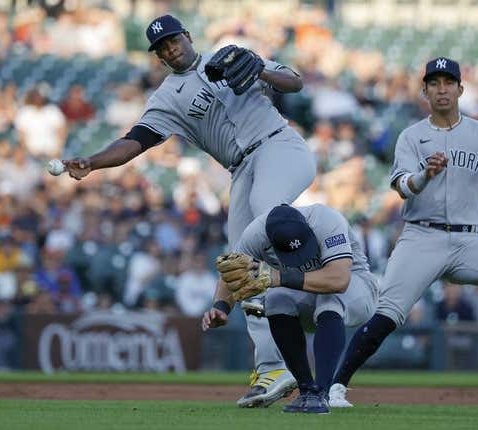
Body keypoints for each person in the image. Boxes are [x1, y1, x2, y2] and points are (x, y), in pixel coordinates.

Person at [62, 15, 316, 407]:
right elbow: (135, 141)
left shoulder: (229, 55)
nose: (169, 48)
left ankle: (308, 272)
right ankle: (272, 370)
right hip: (241, 169)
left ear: (188, 36)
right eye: (161, 47)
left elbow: (295, 82)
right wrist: (94, 162)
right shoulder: (167, 97)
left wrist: (258, 66)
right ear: (158, 56)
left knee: (264, 217)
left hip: (280, 146)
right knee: (238, 263)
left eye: (173, 39)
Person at [330, 57, 478, 404]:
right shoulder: (412, 136)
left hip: (469, 238)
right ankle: (336, 386)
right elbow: (403, 187)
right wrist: (425, 175)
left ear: (460, 89)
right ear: (424, 91)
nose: (442, 89)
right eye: (434, 83)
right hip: (421, 237)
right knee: (387, 315)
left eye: (448, 82)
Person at [202, 204, 378, 413]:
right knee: (276, 299)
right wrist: (221, 307)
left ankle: (321, 393)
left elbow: (339, 280)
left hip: (357, 290)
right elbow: (232, 273)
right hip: (310, 299)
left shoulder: (327, 220)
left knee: (329, 300)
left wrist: (278, 277)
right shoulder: (255, 234)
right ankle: (307, 391)